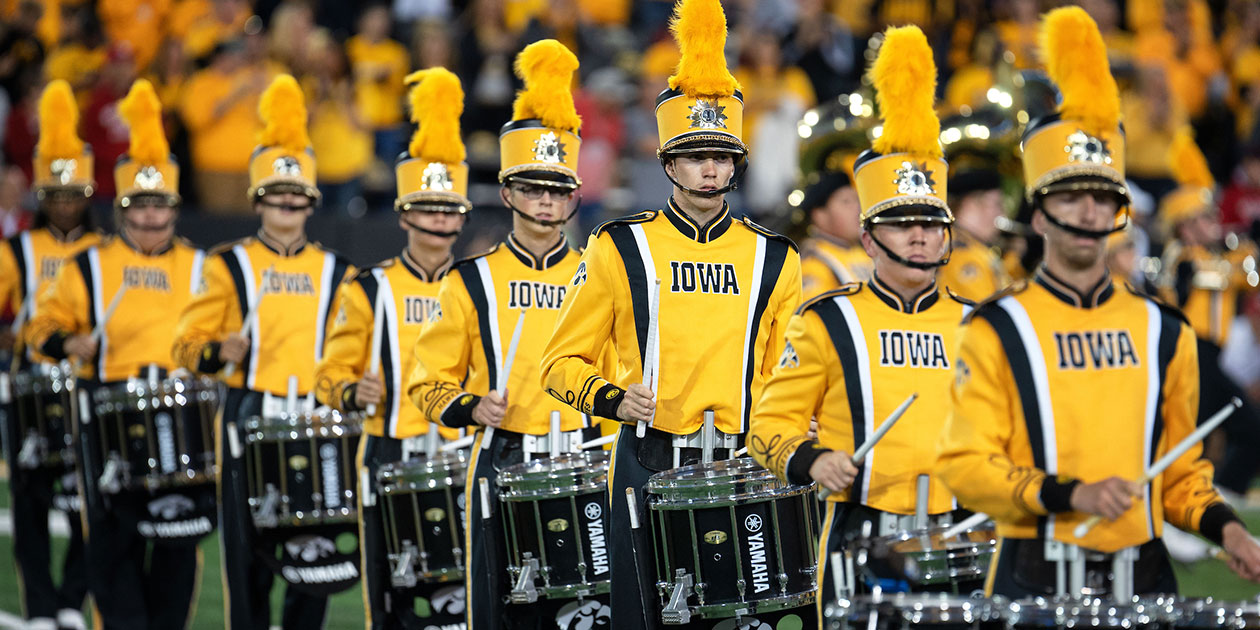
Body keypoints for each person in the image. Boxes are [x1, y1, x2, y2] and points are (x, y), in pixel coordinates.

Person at [936, 7, 1260, 598]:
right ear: (1037, 214)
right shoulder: (995, 328)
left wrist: (1229, 530)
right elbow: (965, 466)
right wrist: (1068, 493)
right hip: (1032, 575)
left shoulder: (1165, 330)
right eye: (1071, 196)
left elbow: (1181, 475)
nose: (1089, 213)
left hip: (1145, 576)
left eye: (1102, 198)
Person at [539, 0, 803, 627]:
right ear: (667, 162)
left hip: (746, 464)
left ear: (737, 162)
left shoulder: (776, 257)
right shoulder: (619, 244)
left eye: (721, 154)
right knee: (645, 619)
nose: (709, 167)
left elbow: (785, 373)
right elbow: (557, 364)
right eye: (693, 155)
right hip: (648, 458)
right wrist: (610, 398)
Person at [747, 25, 972, 602]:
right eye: (902, 225)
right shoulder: (828, 320)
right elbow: (768, 428)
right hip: (860, 531)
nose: (920, 238)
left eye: (931, 225)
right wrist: (812, 460)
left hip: (966, 532)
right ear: (869, 241)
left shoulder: (982, 325)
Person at [406, 40, 609, 630]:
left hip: (588, 453)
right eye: (532, 189)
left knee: (590, 611)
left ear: (573, 198)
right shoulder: (471, 279)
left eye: (556, 190)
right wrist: (470, 407)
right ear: (507, 194)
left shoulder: (604, 272)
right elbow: (428, 380)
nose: (545, 202)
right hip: (502, 452)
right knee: (504, 610)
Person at [171, 75, 354, 630]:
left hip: (318, 418)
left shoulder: (338, 271)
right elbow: (185, 346)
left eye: (297, 196)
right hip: (250, 411)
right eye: (277, 195)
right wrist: (218, 350)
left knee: (315, 556)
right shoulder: (227, 264)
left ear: (310, 202)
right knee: (247, 551)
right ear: (258, 200)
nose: (288, 204)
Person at [25, 79, 207, 629]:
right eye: (140, 208)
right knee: (111, 540)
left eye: (161, 208)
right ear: (124, 209)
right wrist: (68, 342)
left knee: (179, 538)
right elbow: (42, 325)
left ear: (174, 209)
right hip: (108, 407)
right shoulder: (88, 265)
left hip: (179, 411)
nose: (151, 219)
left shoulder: (203, 268)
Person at [315, 67, 469, 630]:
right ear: (404, 213)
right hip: (388, 451)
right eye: (428, 208)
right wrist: (353, 389)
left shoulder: (476, 285)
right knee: (391, 598)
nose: (438, 220)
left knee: (467, 598)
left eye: (449, 210)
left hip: (463, 455)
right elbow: (327, 375)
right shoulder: (367, 286)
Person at [0, 79, 100, 630]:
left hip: (87, 386)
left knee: (92, 499)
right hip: (32, 389)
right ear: (42, 197)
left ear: (88, 195)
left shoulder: (106, 251)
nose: (64, 204)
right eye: (55, 195)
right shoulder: (18, 249)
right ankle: (40, 608)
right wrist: (14, 338)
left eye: (74, 194)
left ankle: (71, 600)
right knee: (32, 501)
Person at [1157, 131, 1260, 502]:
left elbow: (1248, 277)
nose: (1213, 221)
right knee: (1235, 428)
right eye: (1202, 217)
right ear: (1184, 226)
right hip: (1189, 352)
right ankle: (1197, 497)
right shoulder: (1182, 258)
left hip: (1207, 356)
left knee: (1203, 434)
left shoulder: (1215, 257)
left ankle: (1213, 495)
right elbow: (1217, 275)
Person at [798, 170, 870, 300]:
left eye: (857, 200)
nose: (857, 208)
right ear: (820, 216)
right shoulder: (814, 264)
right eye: (846, 202)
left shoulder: (864, 252)